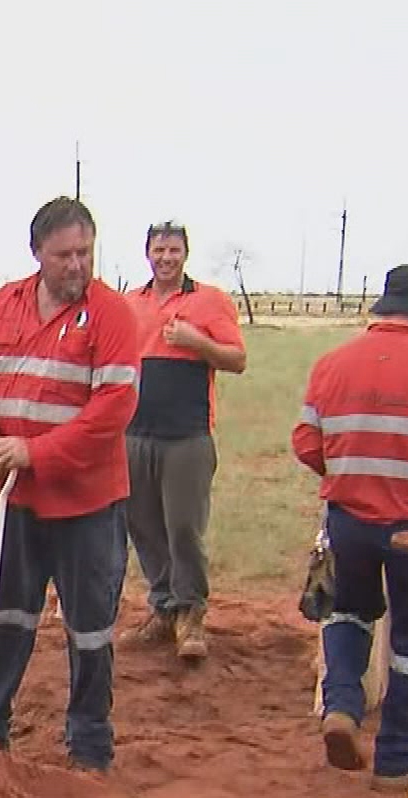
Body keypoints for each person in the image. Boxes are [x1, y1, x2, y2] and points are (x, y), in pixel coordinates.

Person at [0, 195, 141, 771]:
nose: (77, 265)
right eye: (64, 254)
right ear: (37, 253)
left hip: (88, 508)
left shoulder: (112, 316)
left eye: (85, 252)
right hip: (15, 506)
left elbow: (112, 410)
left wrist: (35, 453)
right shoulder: (4, 305)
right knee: (4, 617)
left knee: (90, 629)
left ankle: (89, 745)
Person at [292, 264, 408, 791]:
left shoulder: (333, 364)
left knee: (347, 613)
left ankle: (344, 707)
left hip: (347, 518)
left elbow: (307, 442)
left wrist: (347, 472)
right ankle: (398, 756)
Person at [119, 221, 248, 661]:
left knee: (183, 528)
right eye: (159, 249)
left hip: (187, 437)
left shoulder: (209, 302)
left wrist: (197, 343)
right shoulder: (129, 304)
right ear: (147, 254)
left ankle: (191, 613)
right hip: (135, 433)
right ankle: (164, 608)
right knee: (143, 525)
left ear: (185, 253)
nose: (166, 258)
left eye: (174, 250)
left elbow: (237, 360)